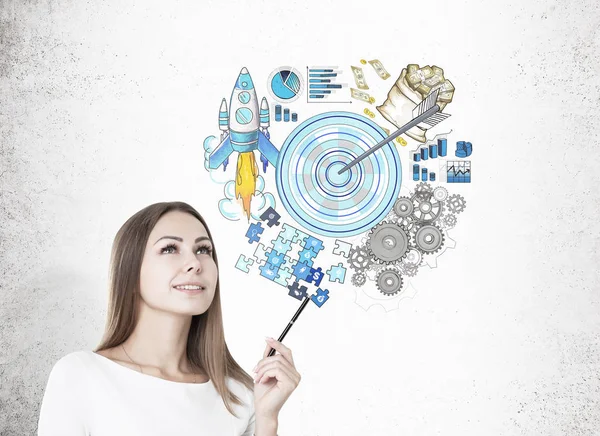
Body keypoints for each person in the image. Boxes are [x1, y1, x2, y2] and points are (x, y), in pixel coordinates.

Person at [37, 201, 301, 435]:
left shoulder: (239, 395)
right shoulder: (81, 375)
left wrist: (267, 421)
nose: (195, 263)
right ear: (129, 270)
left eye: (203, 250)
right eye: (170, 249)